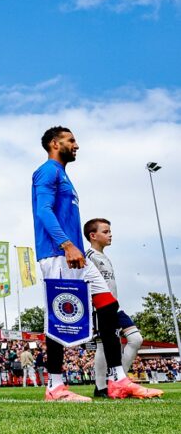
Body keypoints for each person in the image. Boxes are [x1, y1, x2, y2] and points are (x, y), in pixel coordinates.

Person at [32, 126, 161, 401]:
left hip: (75, 255)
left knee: (108, 304)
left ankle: (118, 380)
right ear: (55, 144)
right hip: (57, 254)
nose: (76, 145)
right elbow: (42, 210)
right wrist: (66, 244)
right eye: (71, 140)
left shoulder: (64, 176)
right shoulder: (47, 171)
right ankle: (55, 386)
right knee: (59, 316)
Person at [84, 218, 149, 398]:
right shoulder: (88, 256)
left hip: (115, 306)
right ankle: (101, 387)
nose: (110, 234)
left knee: (136, 339)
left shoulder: (104, 257)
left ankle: (118, 380)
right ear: (93, 235)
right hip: (99, 307)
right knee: (103, 346)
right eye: (105, 231)